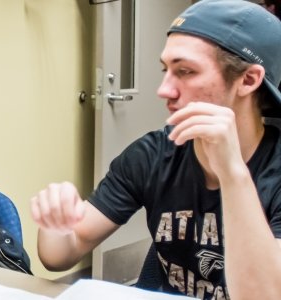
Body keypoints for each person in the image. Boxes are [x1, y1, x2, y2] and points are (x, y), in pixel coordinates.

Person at [30, 1, 281, 299]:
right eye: (166, 70)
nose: (163, 89)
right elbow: (59, 256)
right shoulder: (152, 155)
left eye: (186, 71)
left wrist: (232, 172)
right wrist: (56, 222)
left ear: (248, 80)